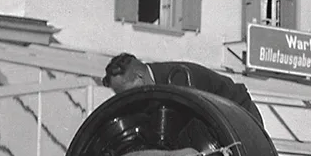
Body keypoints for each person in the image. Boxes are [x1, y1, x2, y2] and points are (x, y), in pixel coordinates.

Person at [102, 53, 263, 124]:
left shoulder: (178, 78)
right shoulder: (152, 85)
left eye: (127, 93)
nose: (128, 100)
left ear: (139, 76)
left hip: (242, 114)